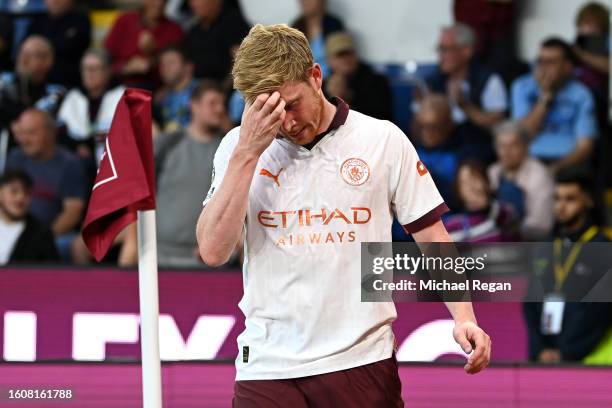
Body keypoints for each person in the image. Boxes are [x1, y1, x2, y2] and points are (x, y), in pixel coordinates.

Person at [197, 24, 491, 406]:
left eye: (291, 104)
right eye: (268, 110)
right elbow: (213, 251)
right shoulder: (238, 147)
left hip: (360, 361)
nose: (285, 122)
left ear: (315, 76)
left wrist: (465, 317)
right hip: (267, 367)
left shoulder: (382, 139)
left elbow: (433, 238)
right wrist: (248, 153)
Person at [523, 173, 612, 363]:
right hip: (544, 356)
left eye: (570, 199)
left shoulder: (603, 248)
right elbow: (531, 303)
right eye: (557, 199)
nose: (561, 206)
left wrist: (566, 352)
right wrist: (540, 349)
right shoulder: (545, 247)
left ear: (588, 201)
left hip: (585, 358)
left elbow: (597, 310)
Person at [156, 81, 225, 267]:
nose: (219, 109)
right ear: (193, 106)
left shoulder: (227, 150)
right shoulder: (167, 144)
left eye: (222, 104)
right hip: (158, 254)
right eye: (212, 103)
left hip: (204, 259)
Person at [6, 109, 86, 260]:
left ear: (51, 132)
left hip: (55, 236)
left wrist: (40, 239)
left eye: (31, 133)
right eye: (22, 133)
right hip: (14, 231)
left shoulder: (70, 164)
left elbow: (72, 213)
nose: (25, 139)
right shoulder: (15, 158)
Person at [511, 37, 598, 174]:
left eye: (550, 62)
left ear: (567, 67)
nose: (543, 67)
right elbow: (523, 136)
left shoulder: (581, 94)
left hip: (568, 161)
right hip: (530, 158)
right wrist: (545, 96)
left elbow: (585, 145)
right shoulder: (522, 87)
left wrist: (556, 167)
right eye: (540, 61)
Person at [414, 93, 494, 211]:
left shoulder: (465, 152)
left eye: (433, 127)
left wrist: (433, 181)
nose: (427, 133)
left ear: (447, 125)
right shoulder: (409, 147)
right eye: (422, 126)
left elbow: (467, 197)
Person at [425, 23, 508, 133]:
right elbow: (417, 134)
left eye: (446, 49)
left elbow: (499, 126)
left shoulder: (489, 80)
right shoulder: (433, 81)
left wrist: (464, 105)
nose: (441, 56)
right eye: (439, 49)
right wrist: (427, 112)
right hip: (441, 148)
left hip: (478, 147)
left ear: (466, 51)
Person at [488, 120, 554, 240]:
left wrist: (507, 234)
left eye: (513, 145)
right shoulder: (492, 171)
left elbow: (541, 225)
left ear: (526, 147)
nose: (506, 152)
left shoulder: (540, 175)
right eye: (502, 146)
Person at [57, 49, 125, 167]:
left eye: (94, 69)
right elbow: (61, 131)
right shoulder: (73, 98)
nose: (88, 74)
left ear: (108, 71)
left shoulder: (122, 96)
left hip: (114, 162)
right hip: (76, 163)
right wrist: (77, 146)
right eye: (85, 69)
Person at [104, 0, 183, 89]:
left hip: (156, 90)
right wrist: (125, 67)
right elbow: (105, 59)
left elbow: (178, 70)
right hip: (120, 86)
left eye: (164, 0)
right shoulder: (125, 21)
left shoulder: (174, 30)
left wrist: (153, 55)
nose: (159, 4)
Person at [324, 31, 393, 121]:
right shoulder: (322, 87)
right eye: (340, 55)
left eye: (349, 53)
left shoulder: (377, 83)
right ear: (329, 61)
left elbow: (377, 121)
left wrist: (344, 98)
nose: (346, 59)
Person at [445, 159, 518, 242]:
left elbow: (513, 239)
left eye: (474, 179)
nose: (471, 186)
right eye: (464, 182)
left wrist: (487, 207)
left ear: (486, 182)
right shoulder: (452, 225)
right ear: (459, 191)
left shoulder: (506, 212)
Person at [0, 35, 65, 128]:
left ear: (48, 61)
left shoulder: (57, 93)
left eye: (31, 55)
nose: (23, 60)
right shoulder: (3, 82)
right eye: (21, 53)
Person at [183, 0, 249, 87]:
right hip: (199, 90)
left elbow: (241, 62)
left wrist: (222, 89)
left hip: (229, 89)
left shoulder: (232, 22)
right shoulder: (193, 32)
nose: (193, 4)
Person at [27, 0, 91, 88]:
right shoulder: (37, 22)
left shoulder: (81, 21)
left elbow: (71, 49)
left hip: (69, 84)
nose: (55, 1)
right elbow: (25, 50)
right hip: (36, 82)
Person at [0, 170, 59, 264]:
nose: (20, 198)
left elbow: (52, 273)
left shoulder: (41, 233)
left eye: (26, 193)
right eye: (14, 191)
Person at [292, 0, 344, 78]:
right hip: (306, 81)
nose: (304, 2)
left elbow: (341, 56)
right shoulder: (296, 27)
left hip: (331, 79)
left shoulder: (333, 24)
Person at [155, 45, 199, 132]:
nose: (165, 68)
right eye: (162, 64)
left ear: (187, 66)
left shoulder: (200, 90)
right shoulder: (162, 98)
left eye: (171, 62)